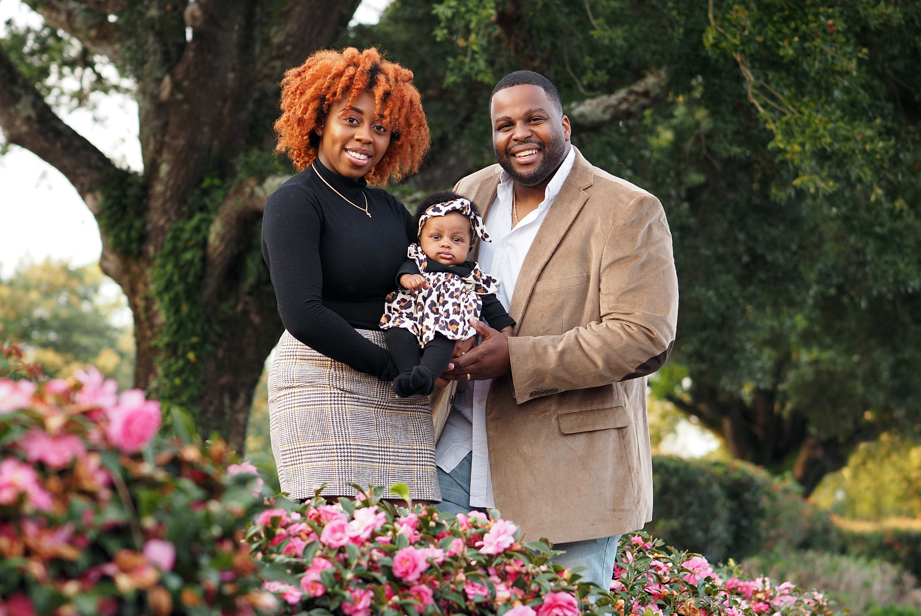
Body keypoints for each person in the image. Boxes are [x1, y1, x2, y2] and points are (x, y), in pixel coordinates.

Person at [431, 71, 679, 587]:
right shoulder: (468, 193)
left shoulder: (628, 209)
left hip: (569, 475)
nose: (518, 133)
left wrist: (517, 358)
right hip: (453, 455)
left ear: (562, 124)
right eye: (504, 124)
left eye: (533, 119)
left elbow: (643, 336)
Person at [260, 48, 439, 502]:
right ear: (321, 120)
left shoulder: (391, 209)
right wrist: (393, 367)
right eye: (352, 119)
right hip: (323, 379)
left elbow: (423, 284)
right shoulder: (295, 201)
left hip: (398, 386)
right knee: (342, 548)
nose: (365, 137)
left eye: (380, 128)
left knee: (410, 543)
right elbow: (302, 314)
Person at [380, 192, 516, 398]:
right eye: (436, 237)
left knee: (445, 339)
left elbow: (491, 303)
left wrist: (505, 331)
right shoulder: (418, 261)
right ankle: (408, 373)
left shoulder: (471, 275)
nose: (445, 244)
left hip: (445, 323)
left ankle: (427, 374)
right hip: (412, 316)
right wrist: (408, 279)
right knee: (397, 332)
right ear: (420, 240)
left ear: (469, 248)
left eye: (456, 239)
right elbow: (403, 272)